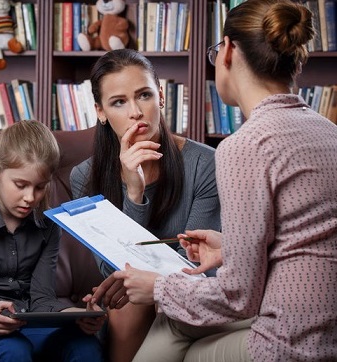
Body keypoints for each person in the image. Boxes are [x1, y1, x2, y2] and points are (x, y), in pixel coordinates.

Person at [103, 1, 337, 361]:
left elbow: (237, 297)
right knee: (178, 322)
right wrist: (230, 246)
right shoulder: (328, 132)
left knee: (185, 337)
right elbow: (307, 241)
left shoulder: (244, 146)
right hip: (324, 325)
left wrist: (160, 288)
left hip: (290, 341)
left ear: (227, 51)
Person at [70, 48, 221, 362]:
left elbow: (196, 265)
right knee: (130, 297)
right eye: (119, 102)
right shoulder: (83, 176)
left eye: (144, 95)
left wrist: (153, 284)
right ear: (100, 112)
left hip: (193, 294)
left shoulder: (205, 163)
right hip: (130, 304)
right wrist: (134, 193)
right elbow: (111, 268)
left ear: (161, 96)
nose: (136, 112)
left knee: (138, 293)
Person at [0, 120, 106, 362]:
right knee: (13, 349)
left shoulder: (48, 225)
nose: (30, 198)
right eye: (20, 185)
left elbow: (42, 298)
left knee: (85, 346)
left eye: (41, 187)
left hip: (28, 324)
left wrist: (76, 314)